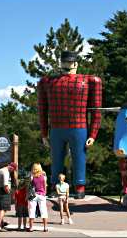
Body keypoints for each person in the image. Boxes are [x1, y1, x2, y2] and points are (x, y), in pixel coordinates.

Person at [37, 50, 102, 199]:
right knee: (56, 159)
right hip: (57, 128)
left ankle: (79, 187)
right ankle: (55, 186)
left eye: (70, 62)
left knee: (79, 157)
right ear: (60, 63)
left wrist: (93, 133)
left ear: (76, 64)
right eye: (65, 62)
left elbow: (96, 110)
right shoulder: (47, 82)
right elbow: (42, 109)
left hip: (78, 127)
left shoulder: (90, 81)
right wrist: (44, 133)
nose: (67, 65)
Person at [0, 162, 18, 232]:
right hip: (4, 191)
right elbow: (5, 185)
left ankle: (2, 223)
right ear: (12, 167)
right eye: (13, 170)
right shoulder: (6, 172)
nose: (13, 171)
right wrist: (9, 193)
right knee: (3, 209)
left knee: (3, 207)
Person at [28, 163, 48, 232]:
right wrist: (44, 193)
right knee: (43, 211)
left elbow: (29, 186)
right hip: (42, 195)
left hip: (33, 195)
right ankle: (45, 227)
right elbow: (45, 186)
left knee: (32, 211)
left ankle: (31, 227)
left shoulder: (32, 176)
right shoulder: (44, 176)